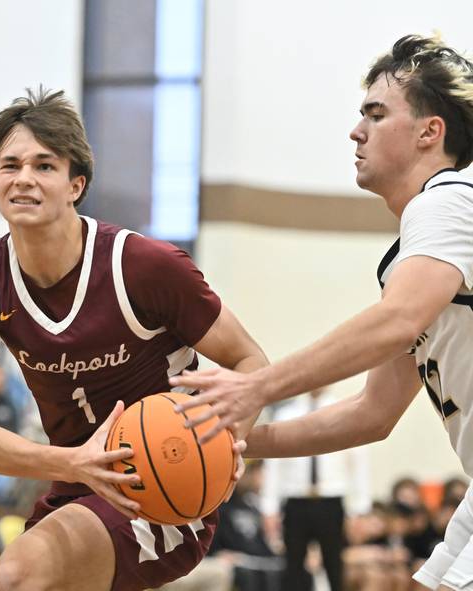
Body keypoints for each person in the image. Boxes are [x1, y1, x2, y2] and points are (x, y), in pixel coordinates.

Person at [170, 34, 473, 591]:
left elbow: (397, 321)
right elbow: (371, 413)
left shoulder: (449, 199)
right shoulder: (419, 253)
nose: (356, 131)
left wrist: (257, 386)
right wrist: (232, 440)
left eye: (376, 115)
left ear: (430, 132)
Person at [0, 88, 267, 591]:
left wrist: (227, 443)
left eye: (44, 165)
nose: (24, 177)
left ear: (77, 184)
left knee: (18, 577)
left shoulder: (144, 266)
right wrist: (72, 463)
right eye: (10, 166)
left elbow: (250, 360)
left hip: (160, 479)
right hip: (74, 482)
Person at [260, 388, 371, 591]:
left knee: (334, 565)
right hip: (295, 501)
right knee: (292, 567)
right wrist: (269, 508)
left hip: (331, 500)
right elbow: (273, 465)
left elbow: (358, 463)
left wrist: (359, 509)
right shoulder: (286, 415)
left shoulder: (343, 412)